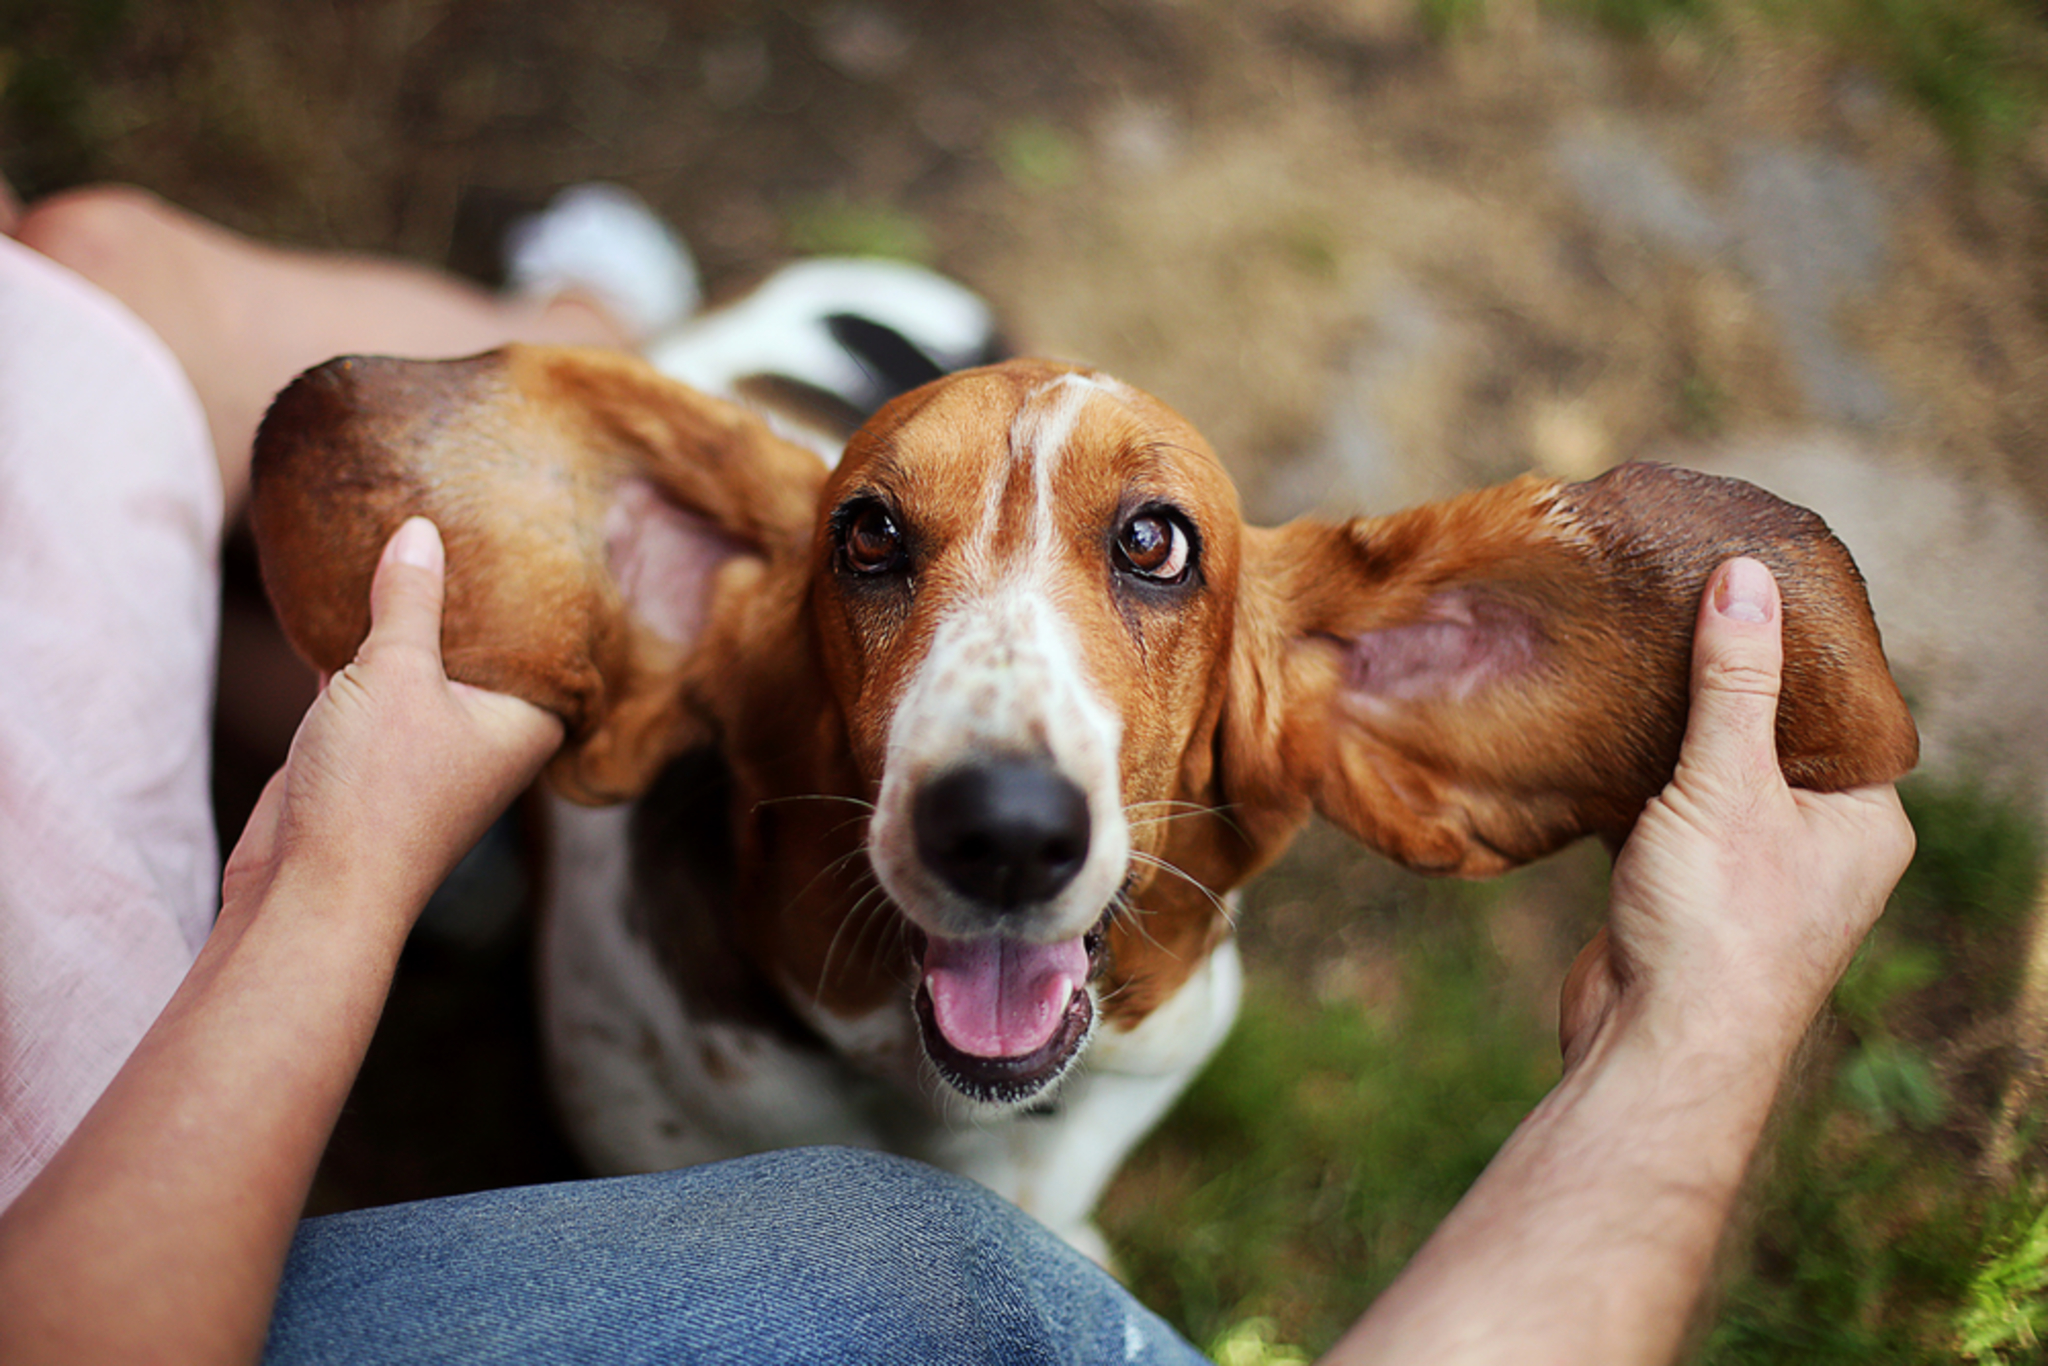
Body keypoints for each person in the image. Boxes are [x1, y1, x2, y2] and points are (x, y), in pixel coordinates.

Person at [0, 183, 1914, 1365]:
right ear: (750, 626)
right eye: (879, 554)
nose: (1006, 791)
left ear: (1307, 670)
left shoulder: (1291, 704)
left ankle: (614, 310)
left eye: (1149, 554)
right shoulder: (715, 660)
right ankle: (621, 331)